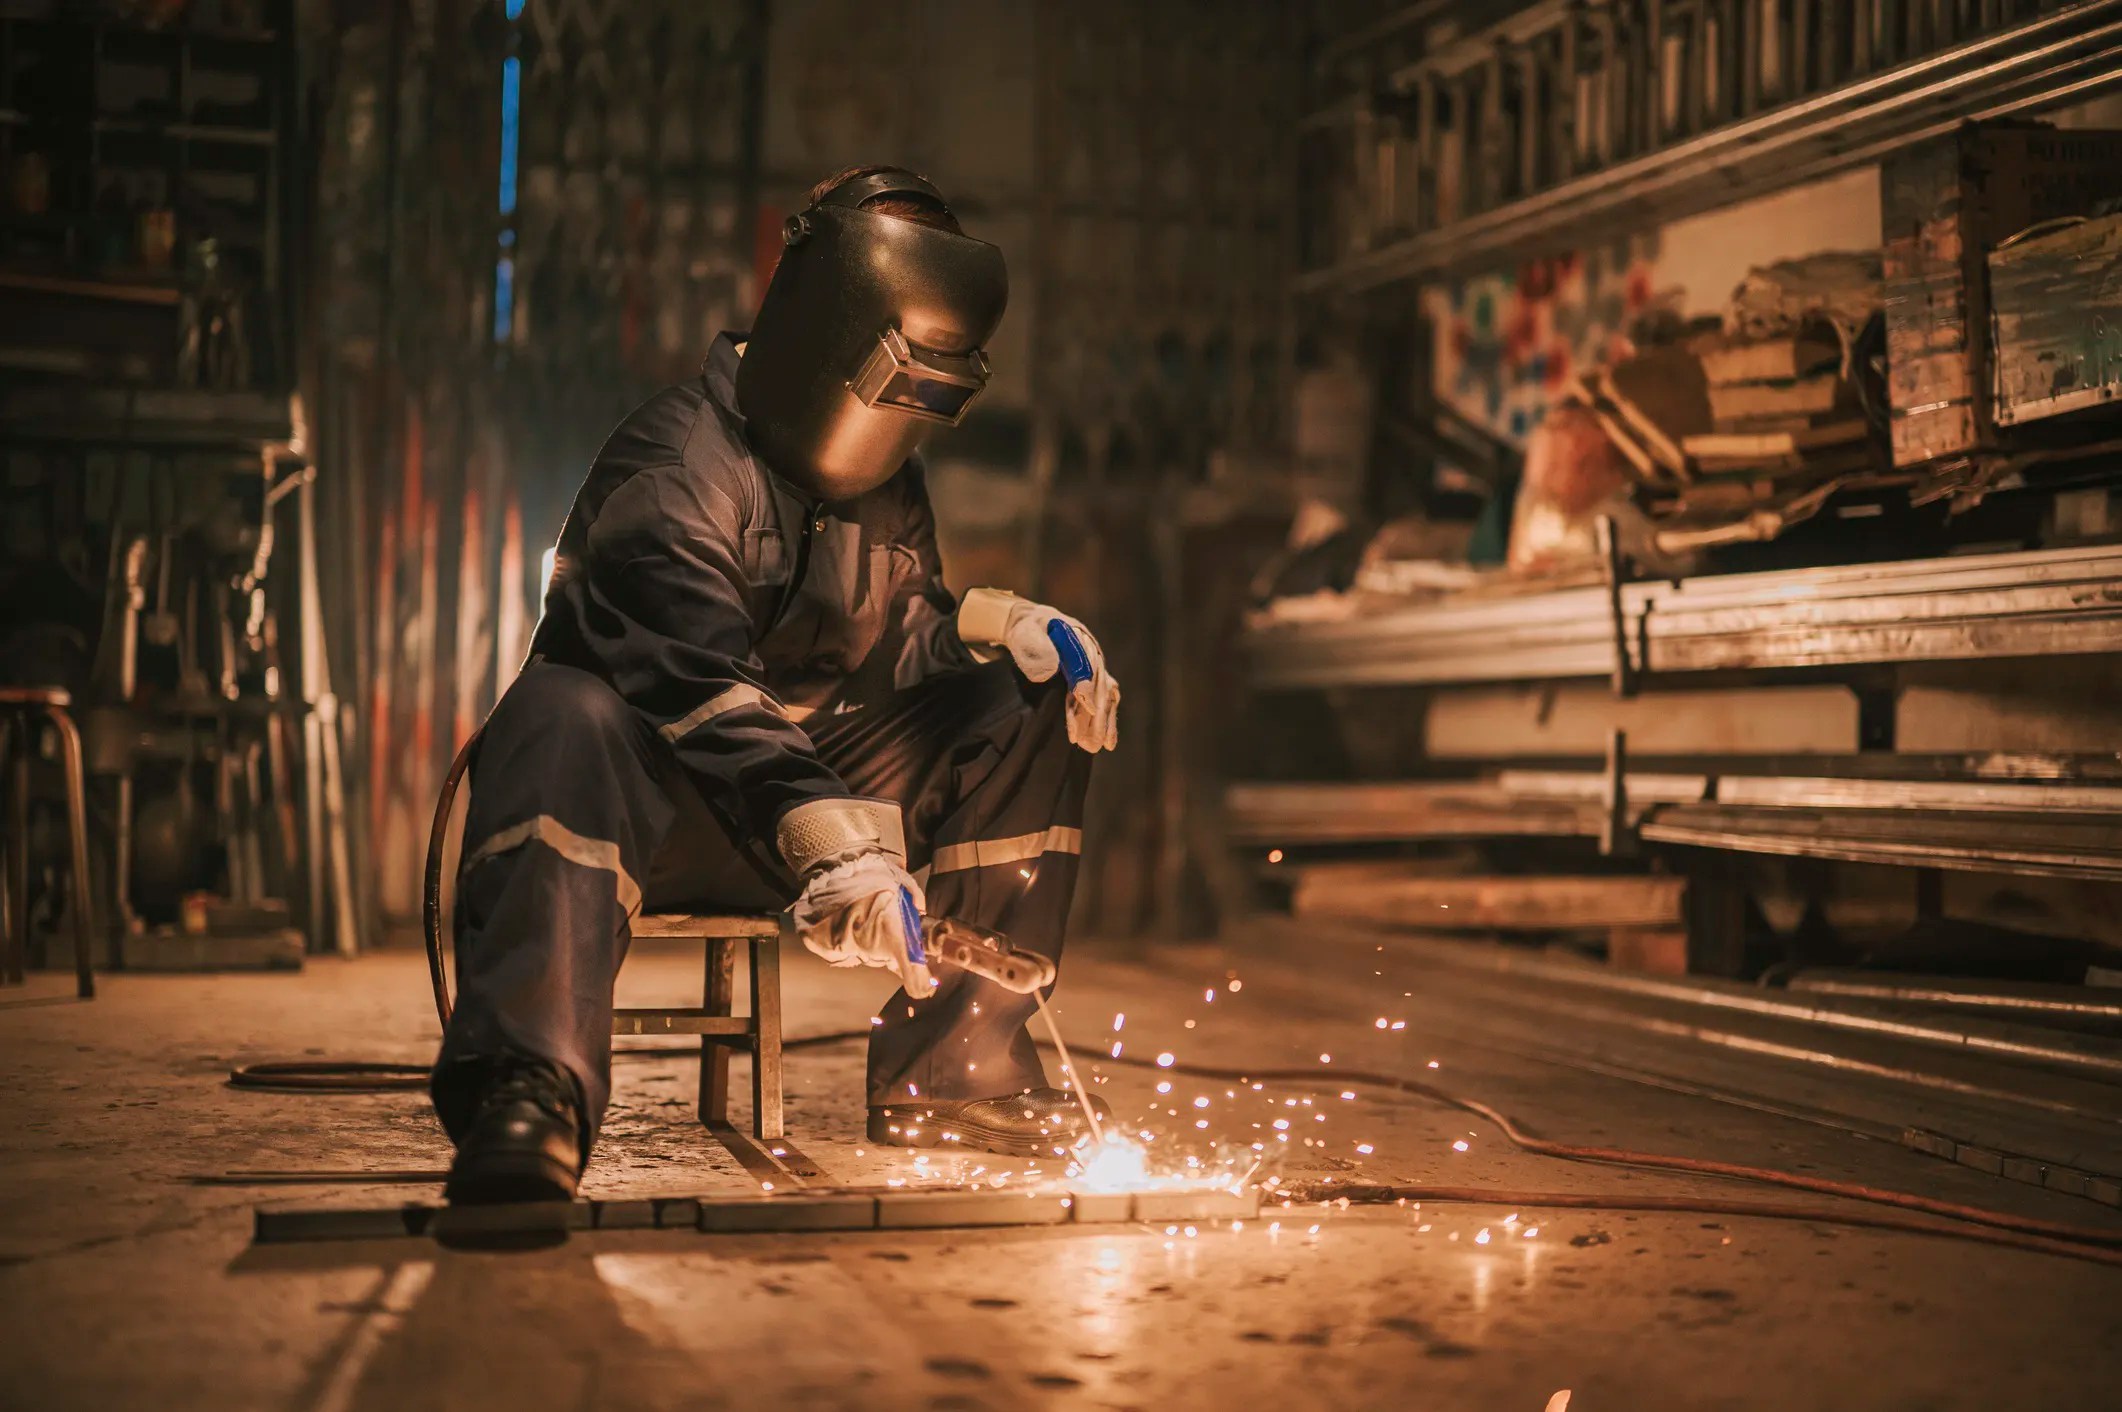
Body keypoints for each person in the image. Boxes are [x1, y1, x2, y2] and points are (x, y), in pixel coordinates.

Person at [431, 166, 1121, 1204]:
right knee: (568, 708)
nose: (902, 423)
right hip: (630, 823)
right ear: (823, 327)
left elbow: (904, 638)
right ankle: (529, 1089)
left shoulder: (888, 480)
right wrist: (843, 852)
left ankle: (953, 1073)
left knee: (1022, 706)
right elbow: (700, 685)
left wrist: (1002, 625)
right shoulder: (675, 472)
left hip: (788, 828)